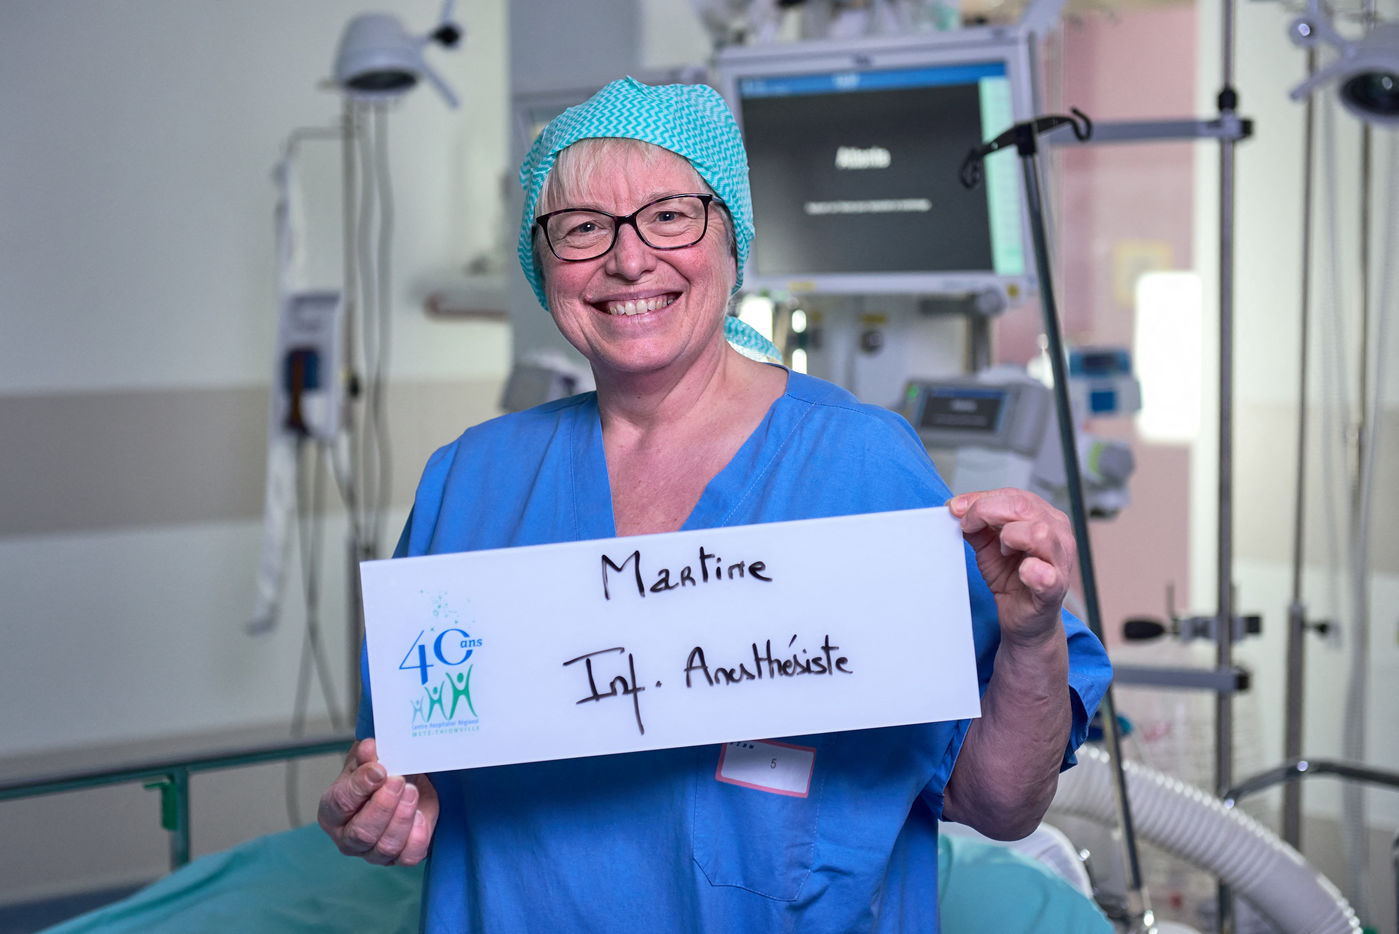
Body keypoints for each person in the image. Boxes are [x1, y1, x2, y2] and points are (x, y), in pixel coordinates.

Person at [319, 76, 1111, 933]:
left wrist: (1030, 637)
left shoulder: (857, 468)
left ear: (732, 243)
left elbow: (998, 803)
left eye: (669, 216)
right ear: (541, 265)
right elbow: (404, 765)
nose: (628, 260)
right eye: (581, 227)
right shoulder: (469, 483)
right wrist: (375, 811)